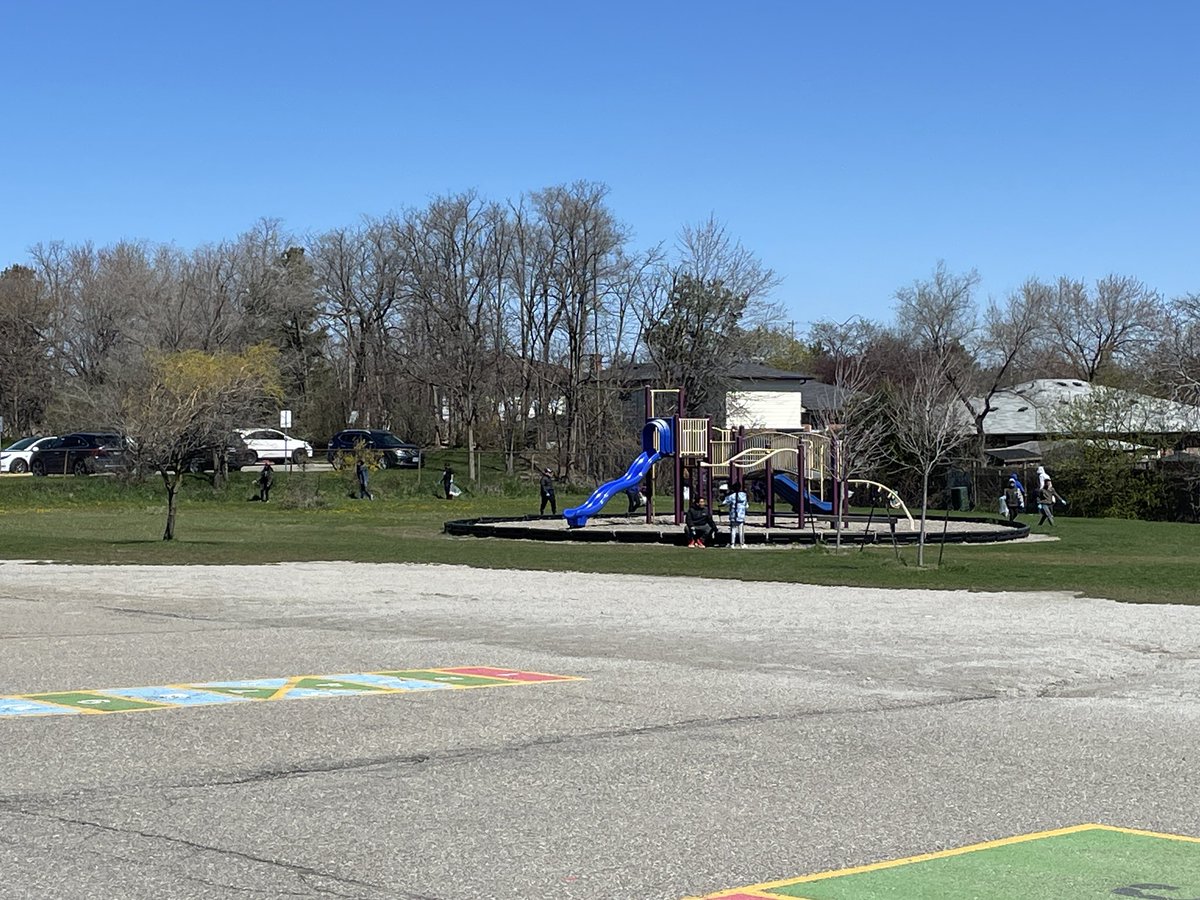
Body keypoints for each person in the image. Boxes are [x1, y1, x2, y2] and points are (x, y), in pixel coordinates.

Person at [721, 480, 749, 548]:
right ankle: (742, 544)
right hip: (741, 514)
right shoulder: (744, 495)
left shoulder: (731, 496)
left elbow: (724, 503)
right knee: (741, 530)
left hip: (733, 514)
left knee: (733, 529)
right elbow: (747, 506)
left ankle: (732, 544)